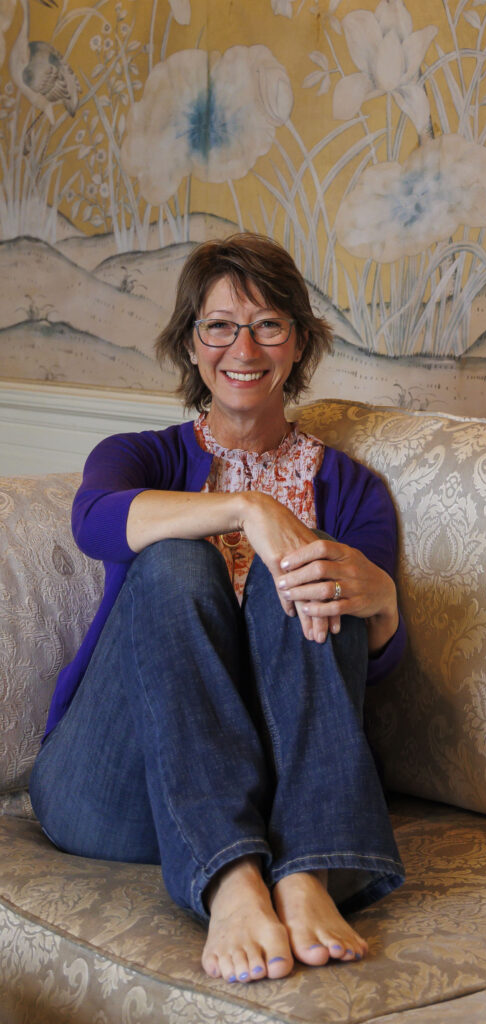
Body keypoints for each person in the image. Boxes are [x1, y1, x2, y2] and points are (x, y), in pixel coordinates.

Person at [29, 232, 406, 985]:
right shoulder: (139, 455)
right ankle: (232, 882)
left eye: (269, 324)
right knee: (175, 557)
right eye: (220, 325)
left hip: (275, 798)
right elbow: (95, 520)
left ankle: (305, 874)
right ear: (192, 345)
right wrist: (244, 508)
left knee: (311, 570)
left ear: (298, 343)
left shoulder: (356, 491)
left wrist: (385, 603)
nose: (244, 345)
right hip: (111, 785)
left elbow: (364, 665)